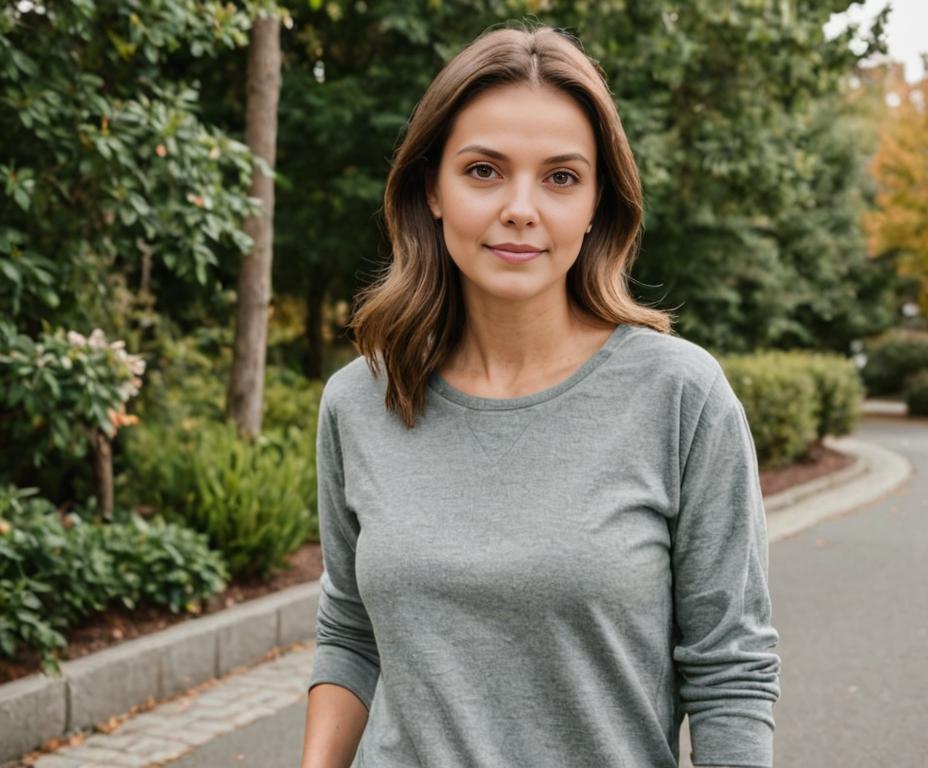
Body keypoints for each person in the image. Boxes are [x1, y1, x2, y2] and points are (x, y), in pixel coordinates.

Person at [300, 22, 780, 768]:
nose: (521, 207)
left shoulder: (681, 396)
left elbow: (730, 670)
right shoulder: (359, 400)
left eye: (560, 177)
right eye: (484, 170)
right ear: (433, 188)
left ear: (595, 206)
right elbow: (350, 630)